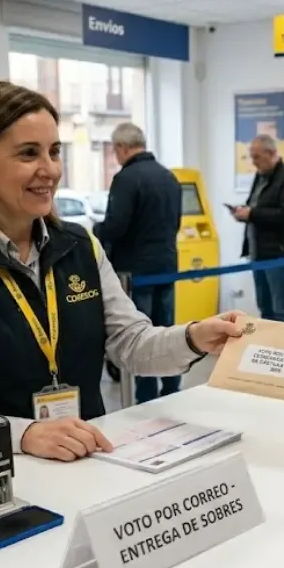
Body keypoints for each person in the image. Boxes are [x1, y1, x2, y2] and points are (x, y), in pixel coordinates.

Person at [0, 81, 243, 469]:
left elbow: (131, 342)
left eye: (54, 152)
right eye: (29, 154)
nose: (51, 170)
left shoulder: (79, 246)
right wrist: (24, 435)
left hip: (83, 464)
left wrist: (194, 338)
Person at [93, 122, 183, 404]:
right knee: (167, 330)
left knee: (140, 335)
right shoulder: (169, 177)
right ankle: (171, 390)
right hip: (166, 265)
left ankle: (146, 397)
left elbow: (116, 226)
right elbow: (176, 222)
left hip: (135, 270)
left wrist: (96, 231)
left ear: (122, 147)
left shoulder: (127, 179)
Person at [231, 134, 284, 323]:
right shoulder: (260, 177)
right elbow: (256, 205)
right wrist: (243, 212)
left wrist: (252, 214)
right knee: (265, 308)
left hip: (278, 254)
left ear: (271, 153)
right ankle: (269, 348)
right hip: (258, 253)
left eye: (256, 157)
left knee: (281, 309)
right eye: (251, 157)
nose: (253, 163)